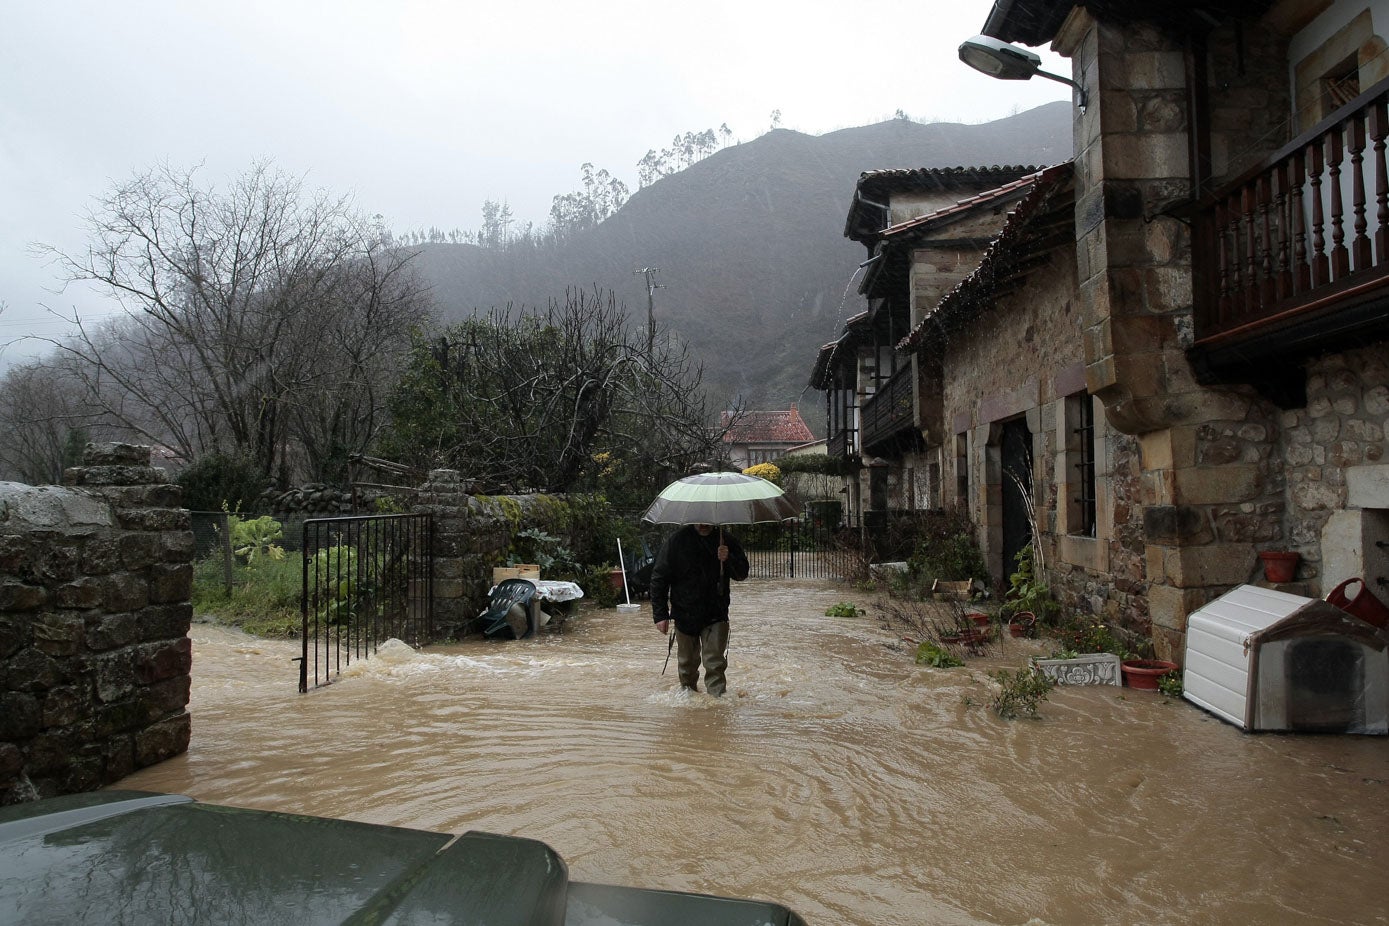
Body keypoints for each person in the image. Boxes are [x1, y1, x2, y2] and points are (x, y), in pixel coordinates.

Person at [650, 523, 749, 696]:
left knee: (715, 665)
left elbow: (742, 574)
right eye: (699, 520)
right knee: (687, 667)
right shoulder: (677, 541)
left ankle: (716, 708)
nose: (703, 524)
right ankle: (688, 704)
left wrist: (728, 558)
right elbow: (659, 577)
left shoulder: (725, 541)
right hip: (684, 614)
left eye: (707, 520)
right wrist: (660, 615)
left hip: (716, 614)